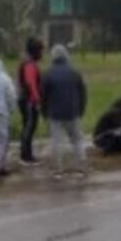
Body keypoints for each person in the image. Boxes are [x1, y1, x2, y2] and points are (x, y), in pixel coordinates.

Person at [40, 45, 88, 179]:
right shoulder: (75, 73)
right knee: (77, 140)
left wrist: (44, 113)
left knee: (56, 142)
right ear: (66, 56)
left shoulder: (47, 74)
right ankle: (81, 168)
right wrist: (81, 109)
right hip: (73, 111)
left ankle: (57, 171)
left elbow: (43, 96)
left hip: (54, 113)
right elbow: (83, 93)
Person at [17, 37, 44, 165]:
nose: (42, 54)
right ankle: (26, 156)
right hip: (28, 100)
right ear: (35, 51)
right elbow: (30, 83)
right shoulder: (29, 64)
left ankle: (26, 153)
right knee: (29, 126)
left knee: (28, 126)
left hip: (25, 98)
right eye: (40, 51)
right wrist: (36, 99)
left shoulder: (27, 61)